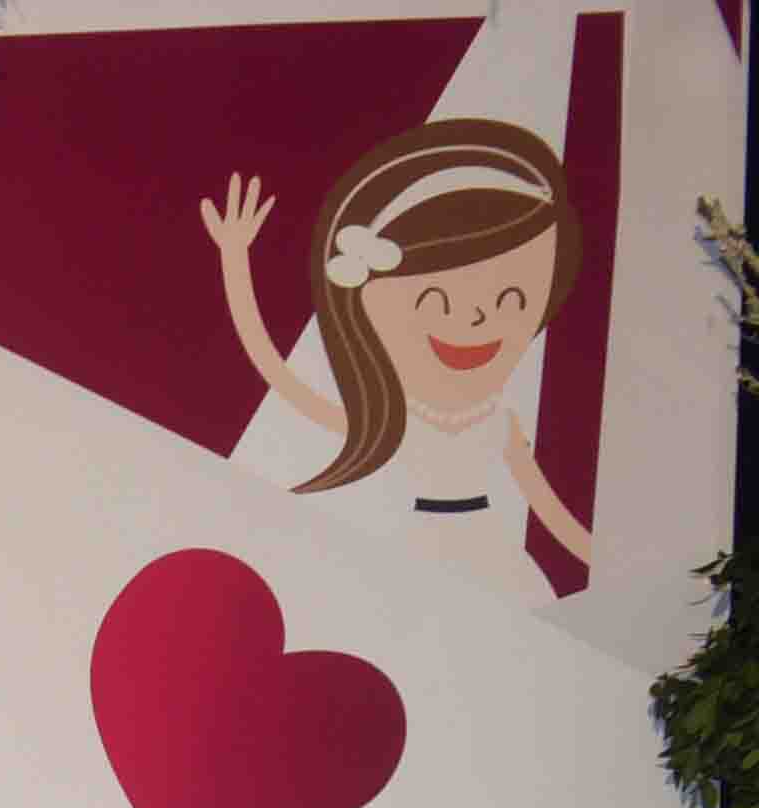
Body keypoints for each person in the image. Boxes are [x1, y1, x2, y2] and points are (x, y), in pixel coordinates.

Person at [202, 121, 592, 595]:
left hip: (491, 558)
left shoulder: (501, 425)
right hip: (407, 549)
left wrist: (605, 562)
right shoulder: (394, 417)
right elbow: (279, 375)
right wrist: (235, 259)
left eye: (512, 301)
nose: (474, 320)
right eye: (433, 300)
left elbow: (550, 510)